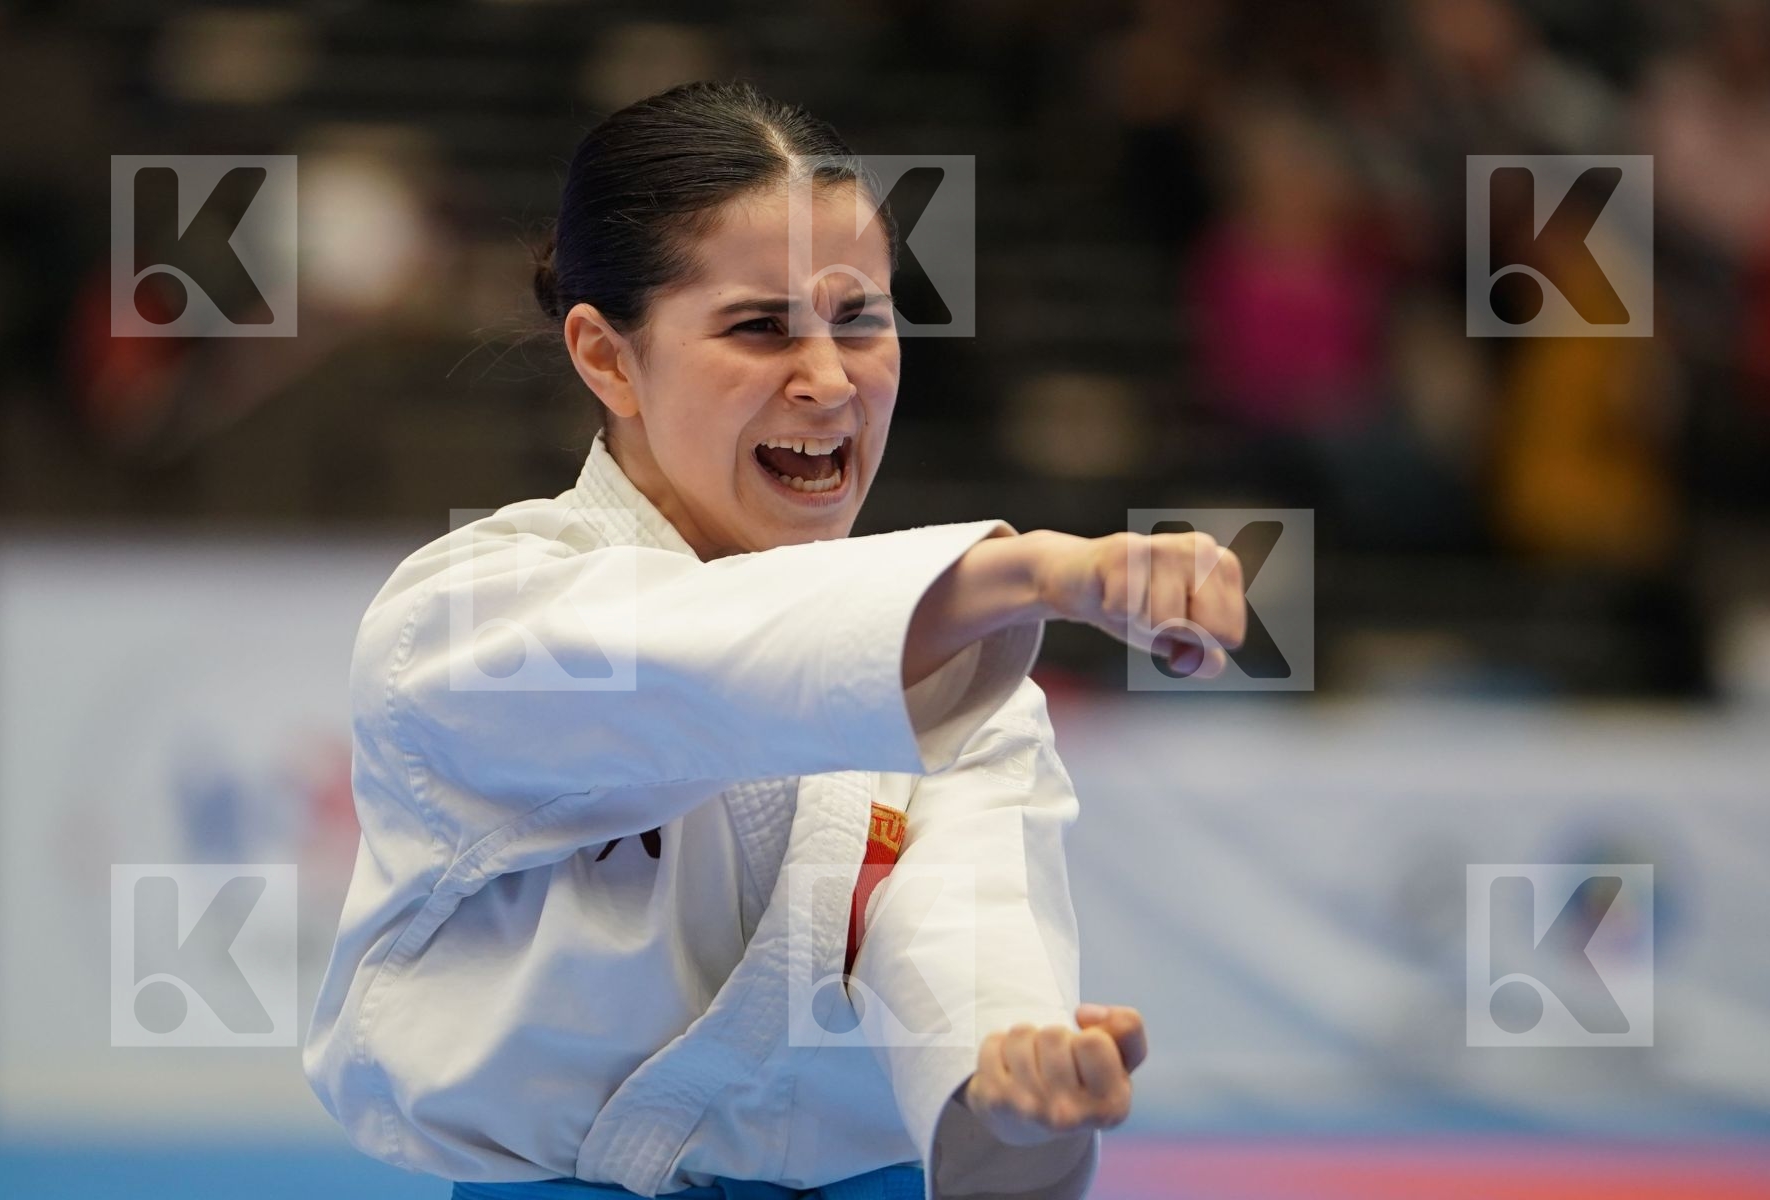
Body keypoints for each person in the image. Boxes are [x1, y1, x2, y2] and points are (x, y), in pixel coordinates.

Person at [303, 81, 1247, 1200]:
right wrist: (1034, 573)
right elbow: (694, 660)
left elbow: (965, 912)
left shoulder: (958, 676)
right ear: (607, 358)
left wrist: (1002, 1069)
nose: (831, 381)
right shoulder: (467, 616)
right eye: (760, 327)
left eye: (861, 319)